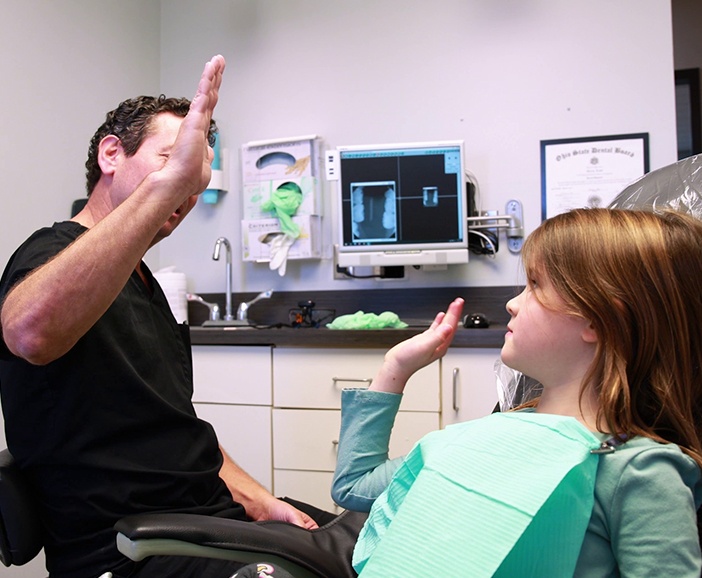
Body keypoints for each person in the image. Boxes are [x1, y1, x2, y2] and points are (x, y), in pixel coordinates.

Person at [0, 55, 325, 578]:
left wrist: (260, 501)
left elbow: (177, 427)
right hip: (128, 550)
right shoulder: (53, 251)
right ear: (112, 154)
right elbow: (30, 333)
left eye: (197, 176)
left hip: (206, 520)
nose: (188, 190)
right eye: (173, 161)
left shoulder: (144, 282)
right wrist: (164, 186)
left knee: (383, 543)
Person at [332, 208, 702, 576]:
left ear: (596, 318)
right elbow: (354, 486)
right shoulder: (486, 434)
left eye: (535, 285)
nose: (512, 303)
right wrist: (395, 367)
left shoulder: (636, 474)